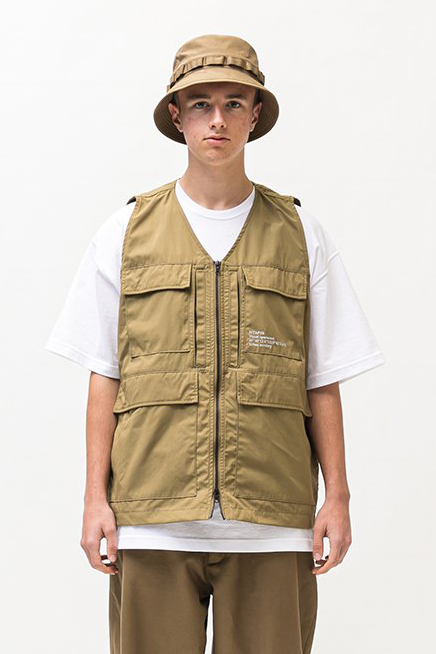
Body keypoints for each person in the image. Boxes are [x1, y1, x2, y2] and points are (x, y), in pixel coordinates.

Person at [45, 33, 386, 654]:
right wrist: (95, 499)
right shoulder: (126, 232)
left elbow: (323, 378)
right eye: (201, 104)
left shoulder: (300, 233)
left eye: (234, 103)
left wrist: (337, 497)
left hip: (273, 521)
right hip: (151, 519)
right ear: (177, 116)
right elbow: (104, 374)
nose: (218, 120)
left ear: (255, 115)